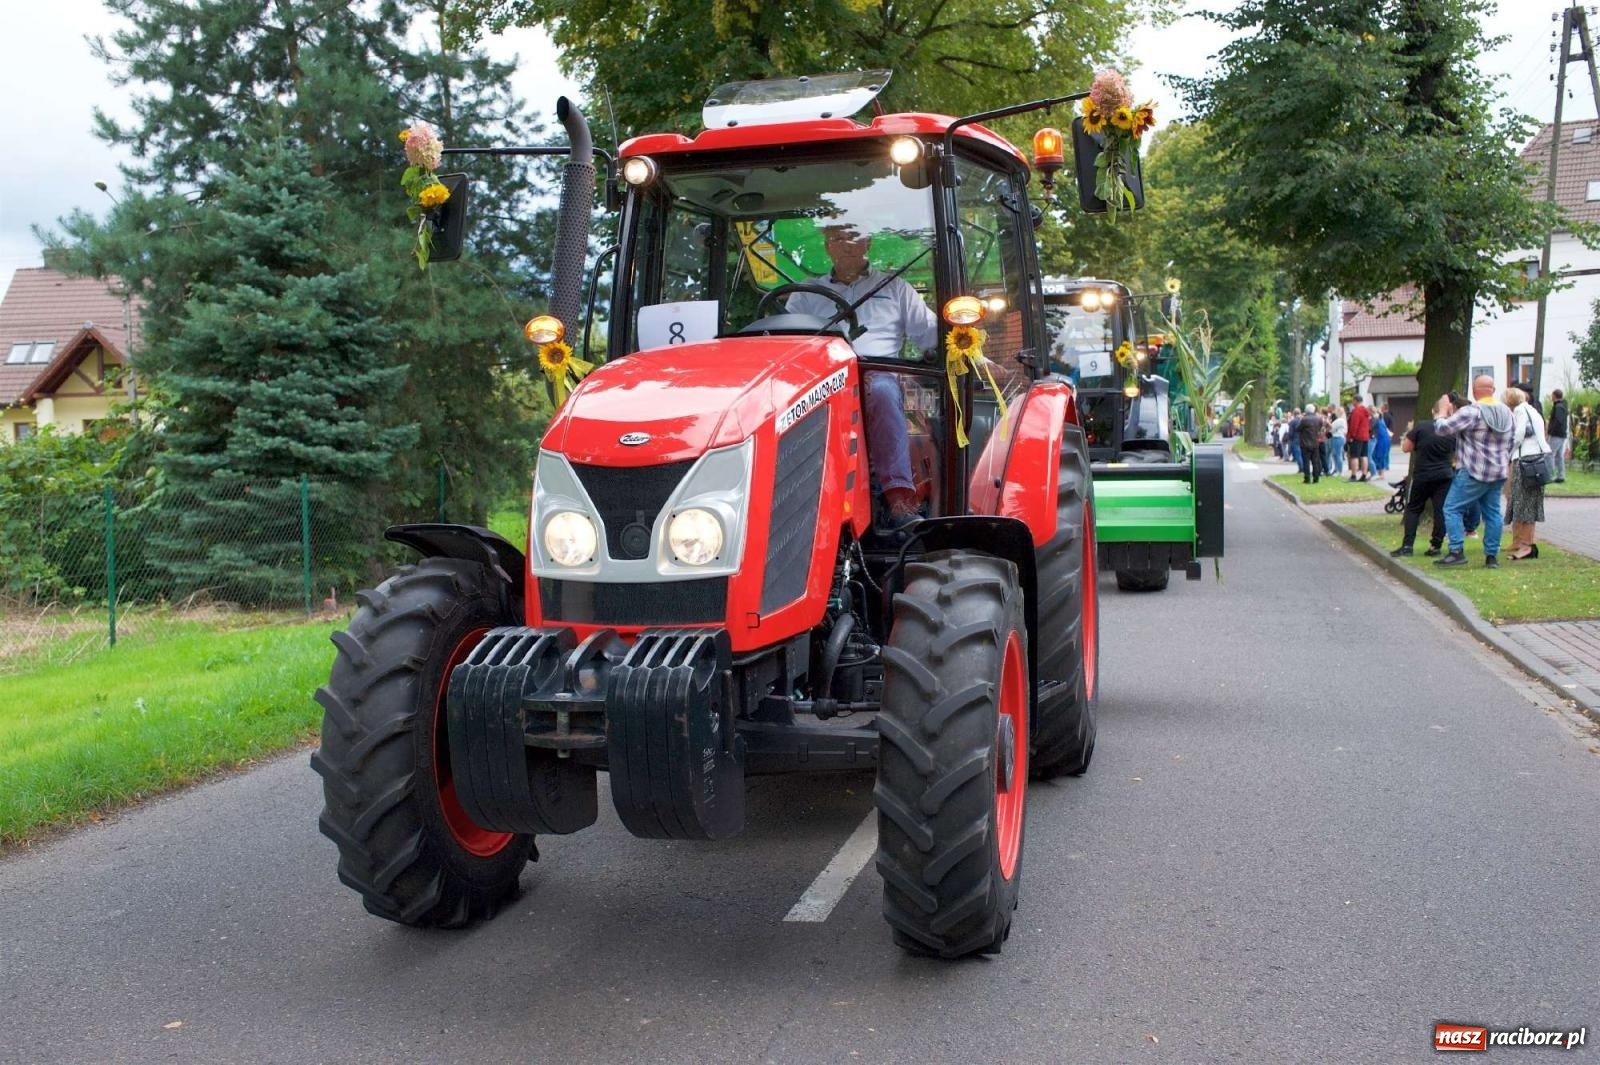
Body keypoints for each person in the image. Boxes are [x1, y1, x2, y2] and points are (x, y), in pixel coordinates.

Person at [787, 223, 939, 530]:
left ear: (867, 242)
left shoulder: (894, 287)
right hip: (822, 379)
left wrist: (964, 338)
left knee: (882, 390)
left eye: (853, 237)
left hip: (878, 373)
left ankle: (899, 497)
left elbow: (931, 335)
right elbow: (786, 341)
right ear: (827, 246)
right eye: (836, 238)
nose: (845, 244)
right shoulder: (806, 294)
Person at [1431, 374, 1515, 567]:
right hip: (1498, 471)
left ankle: (1456, 551)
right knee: (1493, 513)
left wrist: (1442, 411)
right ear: (1493, 390)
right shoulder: (1507, 413)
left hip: (1473, 471)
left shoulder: (1472, 411)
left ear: (1475, 391)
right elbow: (1512, 442)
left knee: (1452, 508)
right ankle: (1492, 557)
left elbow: (1442, 429)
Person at [1390, 395, 1457, 557]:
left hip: (1422, 474)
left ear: (1432, 410)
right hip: (1444, 474)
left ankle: (1407, 546)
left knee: (1413, 508)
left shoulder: (1421, 426)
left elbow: (1406, 448)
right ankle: (1436, 546)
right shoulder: (1452, 429)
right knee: (1440, 510)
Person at [1504, 387, 1551, 560]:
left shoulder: (1519, 411)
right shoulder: (1533, 410)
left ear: (1510, 401)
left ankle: (1526, 546)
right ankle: (1524, 544)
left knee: (1524, 502)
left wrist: (1509, 451)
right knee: (1528, 502)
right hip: (1537, 459)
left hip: (1526, 460)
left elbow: (1519, 434)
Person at [1297, 403, 1326, 483]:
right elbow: (1320, 428)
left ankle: (1307, 478)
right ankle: (1316, 478)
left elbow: (1298, 429)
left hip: (1305, 443)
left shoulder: (1304, 419)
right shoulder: (1318, 419)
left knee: (1306, 461)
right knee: (1315, 461)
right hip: (1315, 442)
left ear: (1306, 411)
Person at [1346, 397, 1372, 480]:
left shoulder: (1356, 411)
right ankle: (1364, 475)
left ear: (1355, 401)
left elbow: (1354, 425)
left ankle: (1354, 475)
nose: (1352, 402)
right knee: (1364, 456)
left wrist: (1351, 436)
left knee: (1354, 456)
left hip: (1357, 436)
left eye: (1353, 401)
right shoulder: (1365, 411)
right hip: (1365, 436)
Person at [1549, 389, 1570, 483]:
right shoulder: (1563, 406)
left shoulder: (1558, 407)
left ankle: (1550, 475)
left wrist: (1551, 431)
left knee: (1551, 454)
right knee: (1559, 456)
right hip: (1562, 434)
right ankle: (1561, 476)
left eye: (1552, 395)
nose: (1551, 397)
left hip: (1556, 434)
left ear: (1555, 396)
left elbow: (1557, 421)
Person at [1370, 404, 1392, 481]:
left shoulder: (1376, 419)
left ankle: (1381, 473)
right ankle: (1380, 473)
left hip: (1381, 439)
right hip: (1383, 439)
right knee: (1379, 455)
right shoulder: (1380, 419)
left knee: (1379, 455)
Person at [1328, 405, 1347, 480]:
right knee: (1335, 454)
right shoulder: (1341, 420)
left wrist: (1328, 423)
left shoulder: (1340, 420)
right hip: (1338, 437)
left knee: (1337, 454)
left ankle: (1339, 470)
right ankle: (1337, 469)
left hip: (1337, 437)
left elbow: (1331, 428)